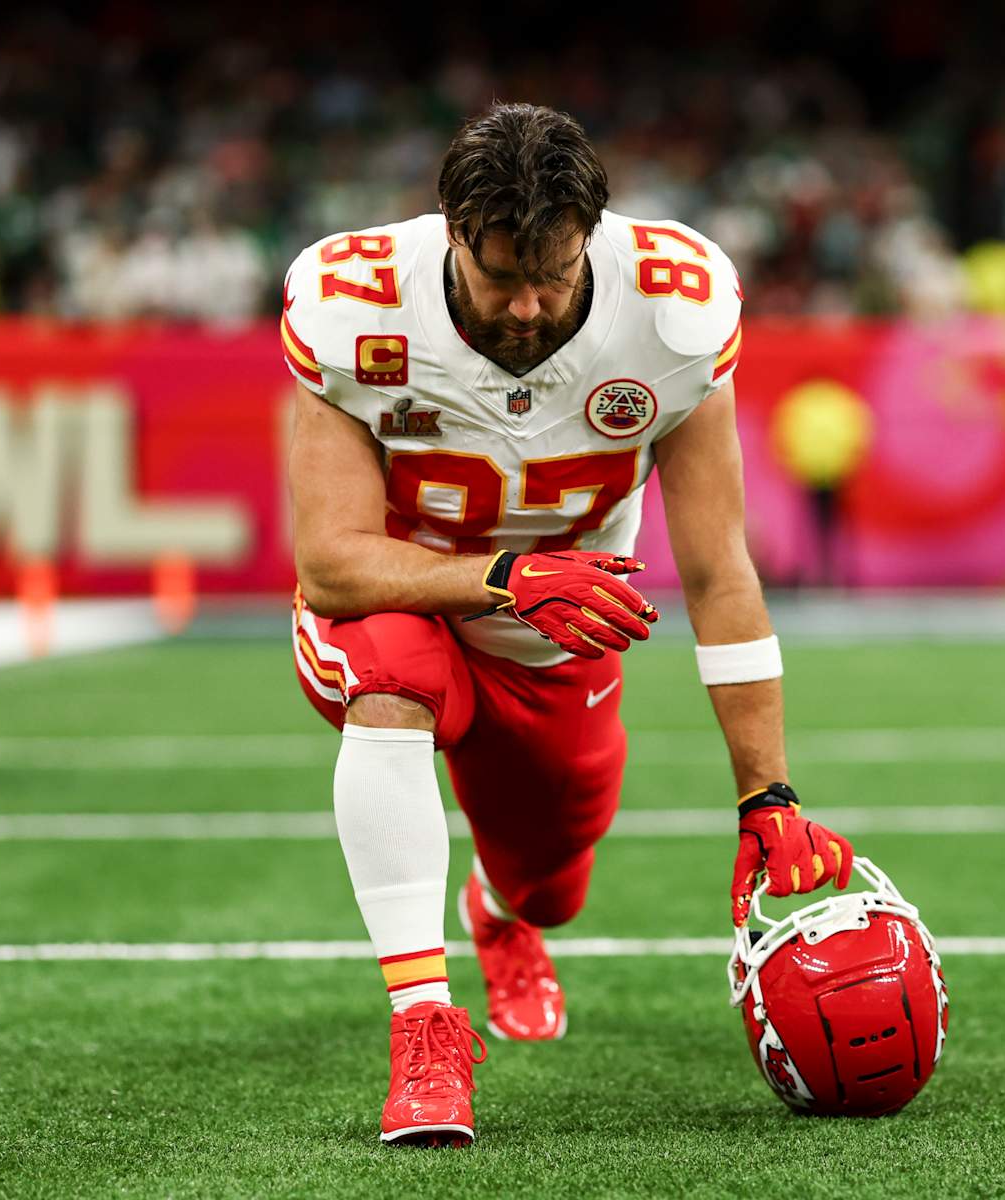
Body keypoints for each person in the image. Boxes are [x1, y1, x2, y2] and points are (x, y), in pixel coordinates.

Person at [282, 103, 855, 1148]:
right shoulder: (352, 301)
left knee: (553, 887)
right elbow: (331, 565)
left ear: (593, 233)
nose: (529, 305)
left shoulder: (673, 313)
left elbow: (719, 571)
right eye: (501, 276)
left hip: (556, 647)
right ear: (452, 232)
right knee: (390, 680)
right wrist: (505, 576)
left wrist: (767, 793)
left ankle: (500, 912)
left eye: (553, 274)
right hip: (403, 596)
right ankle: (424, 1029)